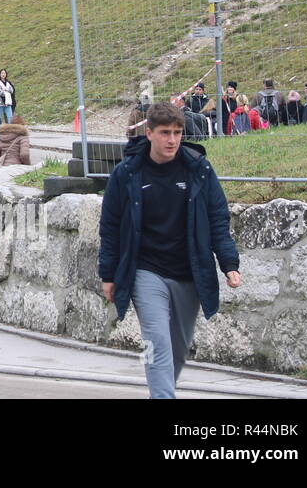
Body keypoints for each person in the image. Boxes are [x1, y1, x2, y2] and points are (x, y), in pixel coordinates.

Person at [98, 102, 241, 399]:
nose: (172, 140)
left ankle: (160, 393)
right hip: (145, 271)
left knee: (179, 348)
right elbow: (110, 226)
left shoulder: (198, 169)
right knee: (158, 341)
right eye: (165, 133)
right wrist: (108, 274)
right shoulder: (127, 174)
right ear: (149, 133)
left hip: (189, 270)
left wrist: (229, 262)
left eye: (177, 132)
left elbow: (218, 216)